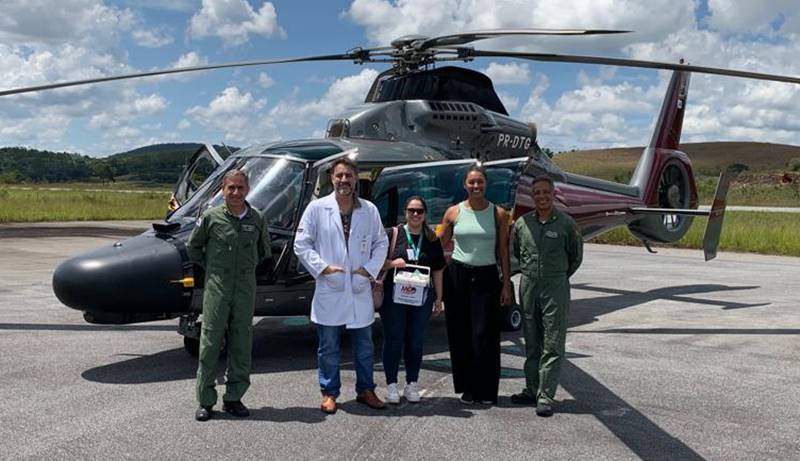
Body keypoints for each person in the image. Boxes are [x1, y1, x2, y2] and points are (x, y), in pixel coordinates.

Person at [294, 157, 389, 414]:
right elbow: (301, 244)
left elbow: (381, 243)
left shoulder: (369, 210)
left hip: (358, 286)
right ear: (332, 179)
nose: (344, 180)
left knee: (365, 345)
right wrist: (322, 268)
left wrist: (368, 269)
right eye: (339, 176)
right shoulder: (317, 208)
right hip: (331, 286)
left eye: (348, 175)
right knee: (328, 346)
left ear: (356, 178)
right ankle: (329, 392)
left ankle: (366, 390)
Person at [187, 169, 272, 422]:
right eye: (231, 188)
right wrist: (214, 269)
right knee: (210, 342)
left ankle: (234, 397)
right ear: (222, 190)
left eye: (240, 188)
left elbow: (263, 251)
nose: (235, 193)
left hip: (245, 287)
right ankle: (206, 400)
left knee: (241, 342)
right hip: (217, 287)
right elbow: (194, 247)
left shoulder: (257, 218)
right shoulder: (211, 218)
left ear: (247, 190)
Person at [438, 164, 514, 405]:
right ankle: (467, 388)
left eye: (480, 182)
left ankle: (487, 390)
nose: (476, 186)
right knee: (460, 334)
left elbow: (503, 250)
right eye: (471, 182)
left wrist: (506, 285)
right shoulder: (453, 212)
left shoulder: (498, 214)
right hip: (458, 275)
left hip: (487, 277)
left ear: (486, 184)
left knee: (484, 334)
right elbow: (439, 244)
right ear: (465, 185)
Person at [510, 176, 583, 417]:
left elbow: (575, 257)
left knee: (552, 343)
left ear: (553, 195)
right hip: (529, 286)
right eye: (537, 193)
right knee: (532, 342)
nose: (541, 197)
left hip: (555, 287)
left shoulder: (565, 224)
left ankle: (545, 395)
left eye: (545, 193)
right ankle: (532, 389)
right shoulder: (523, 224)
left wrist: (558, 276)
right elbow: (518, 253)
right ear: (532, 197)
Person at [379, 196, 446, 404]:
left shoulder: (432, 239)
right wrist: (391, 263)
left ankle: (412, 383)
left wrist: (439, 298)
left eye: (419, 211)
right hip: (394, 298)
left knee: (415, 341)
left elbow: (438, 269)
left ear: (425, 214)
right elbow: (375, 260)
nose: (415, 214)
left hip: (421, 299)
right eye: (411, 210)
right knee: (394, 339)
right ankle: (391, 385)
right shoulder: (393, 234)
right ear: (405, 212)